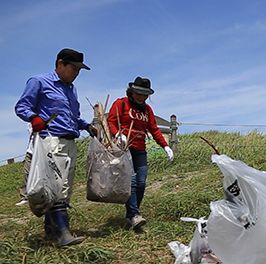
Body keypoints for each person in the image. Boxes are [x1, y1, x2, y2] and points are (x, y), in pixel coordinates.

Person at [15, 48, 97, 246]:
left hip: (70, 141)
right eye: (74, 68)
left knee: (64, 186)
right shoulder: (39, 81)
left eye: (79, 70)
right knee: (56, 186)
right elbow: (22, 106)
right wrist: (34, 118)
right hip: (50, 139)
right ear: (60, 63)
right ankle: (62, 232)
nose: (76, 73)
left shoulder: (71, 89)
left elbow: (73, 117)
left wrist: (85, 125)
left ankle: (51, 232)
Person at [107, 76, 173, 231]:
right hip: (124, 149)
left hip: (140, 149)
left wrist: (165, 146)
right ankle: (134, 215)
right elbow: (111, 121)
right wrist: (118, 134)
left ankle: (132, 214)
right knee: (131, 181)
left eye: (145, 94)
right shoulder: (121, 103)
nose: (141, 96)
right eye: (138, 92)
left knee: (141, 182)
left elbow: (154, 129)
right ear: (132, 90)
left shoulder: (147, 110)